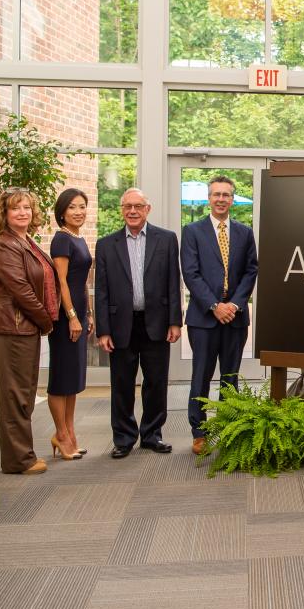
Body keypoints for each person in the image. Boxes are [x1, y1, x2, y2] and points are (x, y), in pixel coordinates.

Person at [95, 188, 182, 458]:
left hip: (156, 322)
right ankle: (123, 438)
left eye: (138, 206)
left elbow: (172, 283)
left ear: (148, 209)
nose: (132, 211)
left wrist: (175, 321)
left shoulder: (167, 240)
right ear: (122, 210)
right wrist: (103, 330)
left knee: (156, 382)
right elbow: (102, 290)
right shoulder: (106, 244)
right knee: (122, 383)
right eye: (127, 206)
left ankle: (152, 434)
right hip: (121, 324)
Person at [181, 175, 258, 455]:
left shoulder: (244, 232)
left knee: (230, 376)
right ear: (209, 198)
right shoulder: (192, 231)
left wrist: (234, 305)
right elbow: (191, 273)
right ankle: (199, 432)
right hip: (204, 318)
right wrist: (215, 306)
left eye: (226, 195)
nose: (221, 199)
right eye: (216, 194)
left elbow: (251, 270)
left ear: (233, 199)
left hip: (235, 318)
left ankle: (228, 427)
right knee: (200, 375)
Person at [0, 188, 59, 475]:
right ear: (3, 214)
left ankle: (21, 454)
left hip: (25, 326)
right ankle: (19, 460)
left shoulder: (25, 240)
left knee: (25, 392)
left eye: (27, 207)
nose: (23, 212)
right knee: (15, 394)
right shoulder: (5, 245)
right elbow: (22, 291)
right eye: (15, 208)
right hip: (13, 324)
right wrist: (46, 321)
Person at [46, 188, 93, 460]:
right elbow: (60, 282)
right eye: (73, 207)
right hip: (65, 319)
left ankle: (70, 433)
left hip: (79, 314)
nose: (79, 212)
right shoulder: (61, 240)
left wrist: (88, 315)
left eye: (82, 206)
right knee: (61, 379)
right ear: (62, 212)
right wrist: (72, 316)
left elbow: (83, 282)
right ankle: (60, 434)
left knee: (74, 379)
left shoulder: (79, 239)